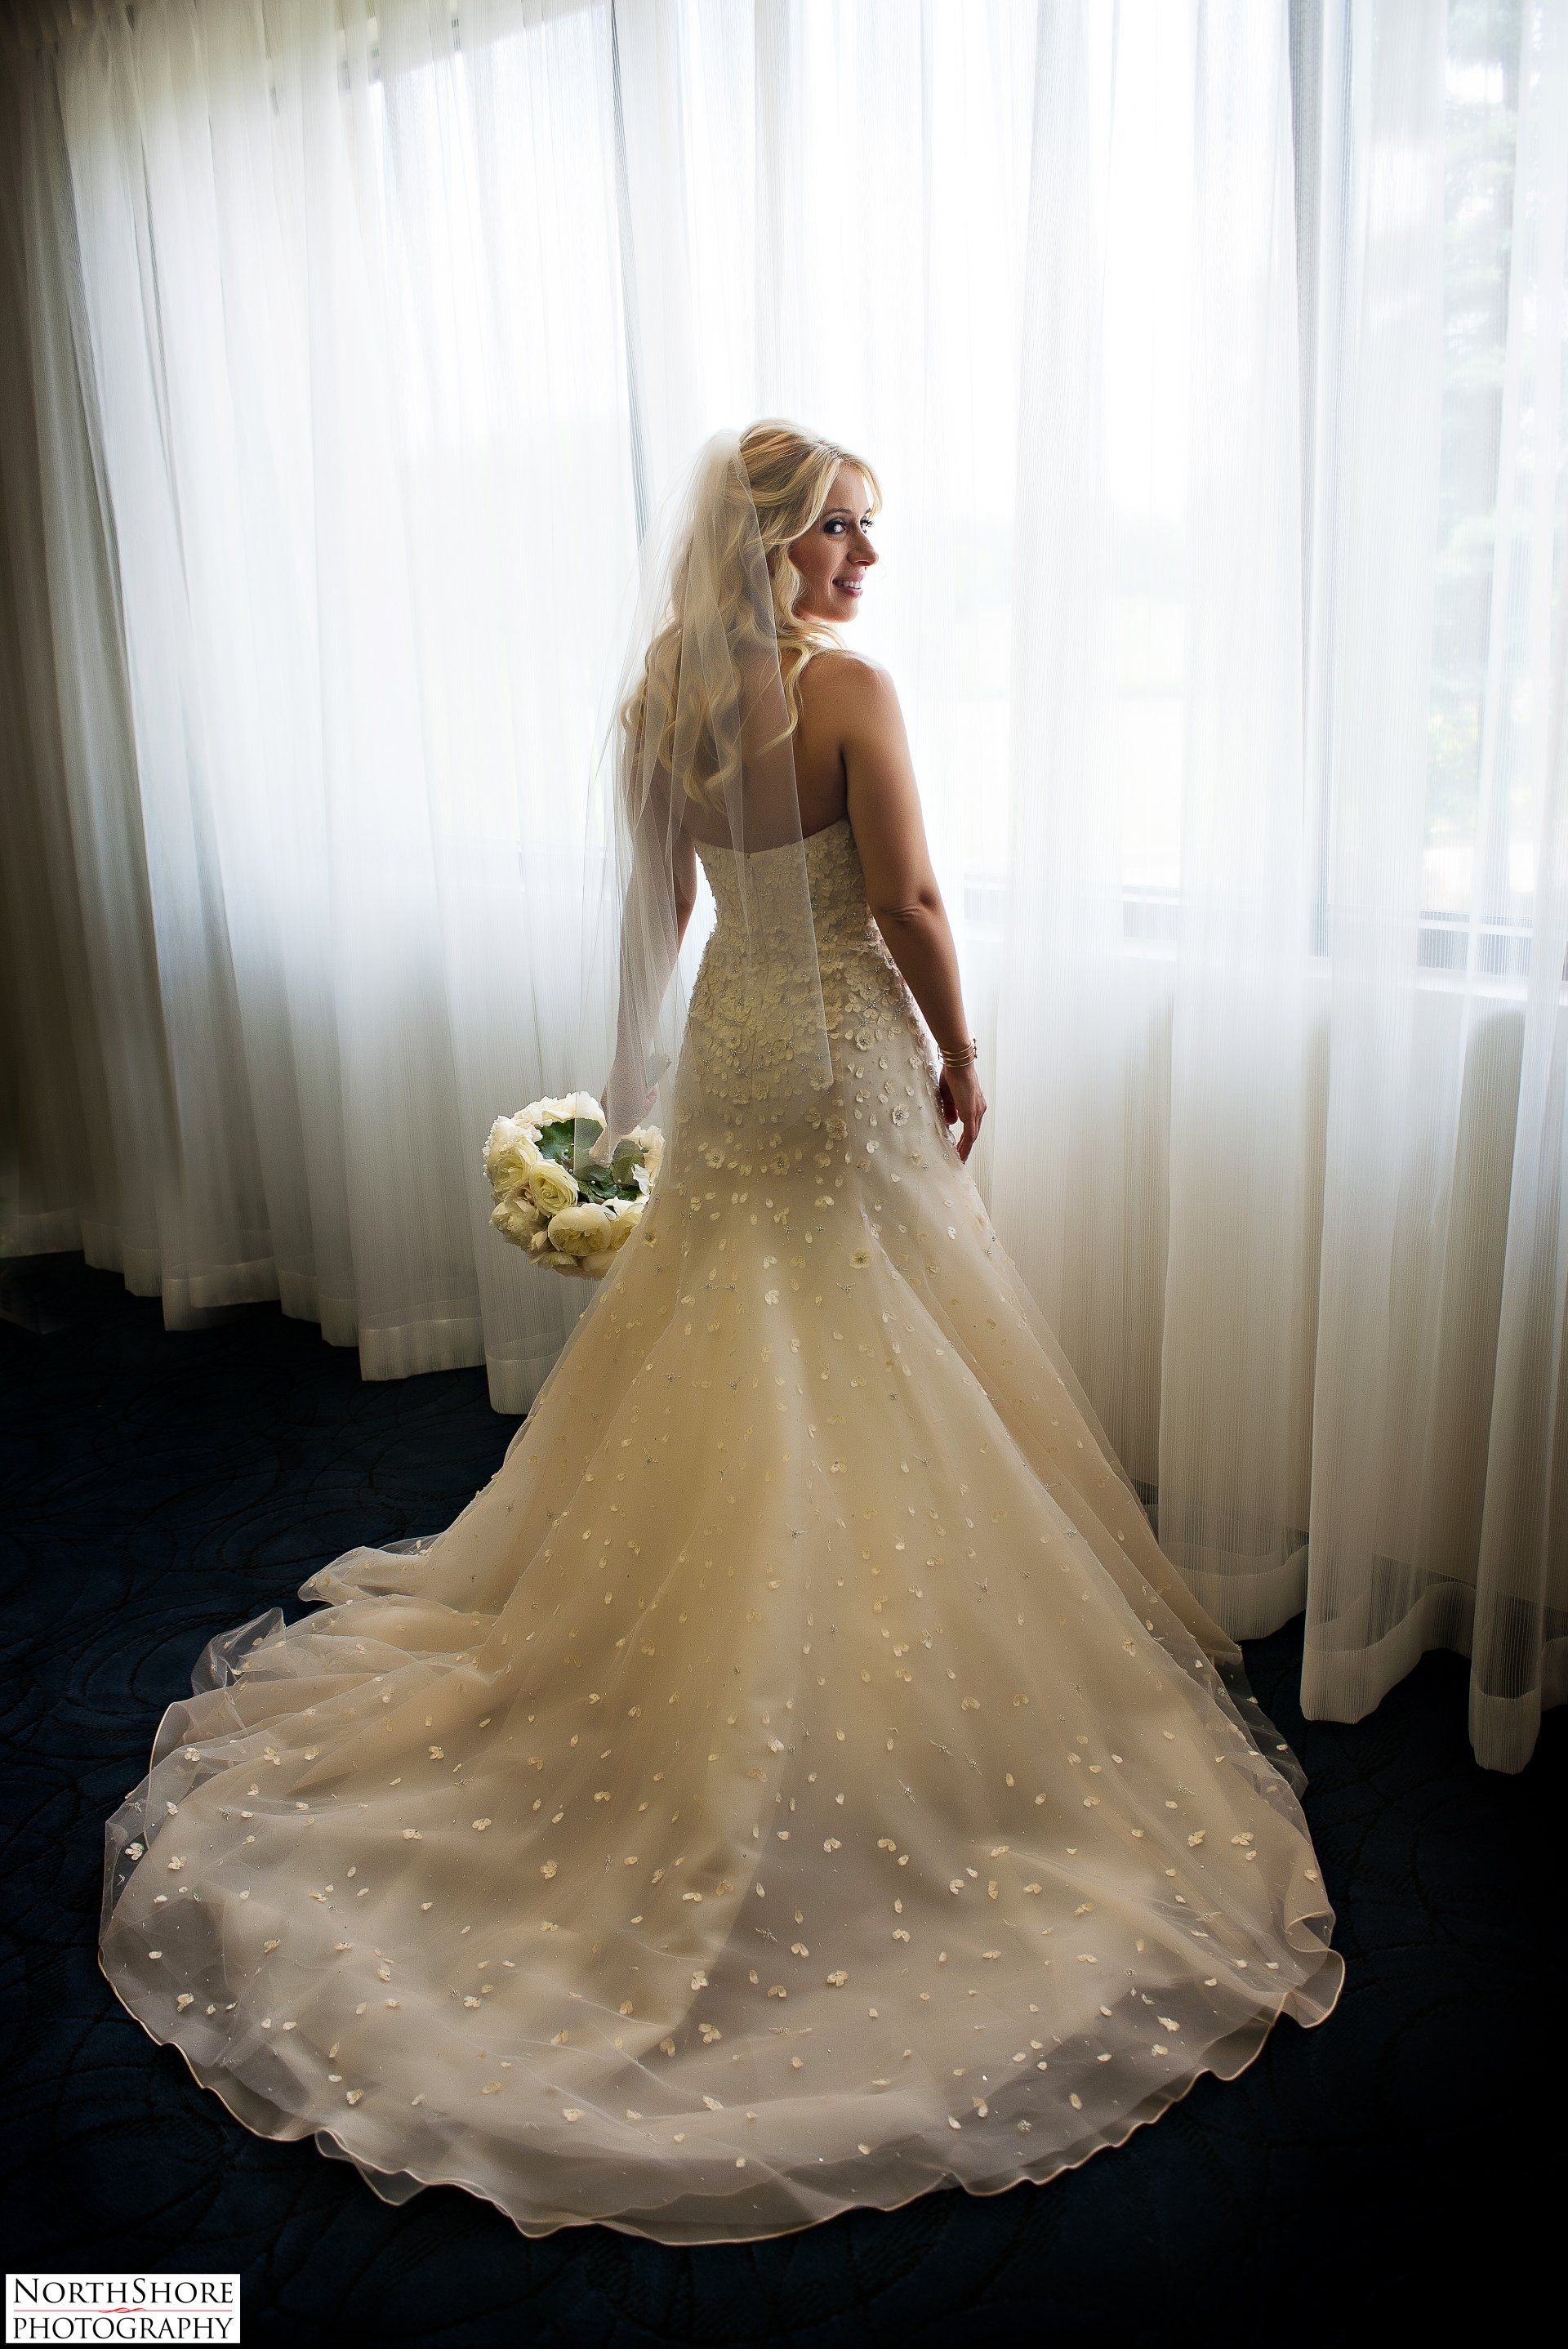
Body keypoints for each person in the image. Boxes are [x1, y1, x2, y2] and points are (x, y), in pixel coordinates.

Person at [99, 421, 1343, 2248]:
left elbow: (660, 908)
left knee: (739, 1348)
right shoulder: (849, 696)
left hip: (733, 1060)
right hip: (835, 1069)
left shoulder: (663, 695)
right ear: (777, 539)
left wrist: (623, 1097)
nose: (866, 561)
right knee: (868, 1347)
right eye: (846, 529)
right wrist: (967, 1051)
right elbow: (911, 903)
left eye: (873, 534)